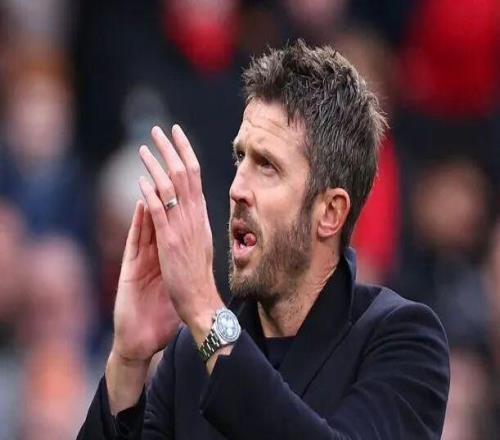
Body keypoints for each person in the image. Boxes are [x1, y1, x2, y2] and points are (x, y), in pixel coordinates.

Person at [78, 41, 449, 439]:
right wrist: (128, 360)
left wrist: (203, 310)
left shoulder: (402, 340)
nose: (237, 188)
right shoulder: (190, 356)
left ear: (330, 212)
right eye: (241, 158)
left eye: (267, 166)